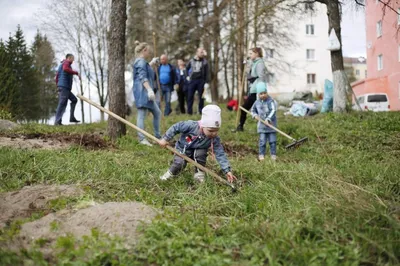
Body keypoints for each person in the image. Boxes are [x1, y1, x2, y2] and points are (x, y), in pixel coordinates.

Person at [158, 104, 236, 183]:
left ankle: (199, 174)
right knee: (179, 163)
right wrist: (165, 138)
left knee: (201, 154)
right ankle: (171, 174)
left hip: (199, 151)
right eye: (210, 131)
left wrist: (227, 170)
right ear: (203, 125)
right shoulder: (191, 126)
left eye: (216, 130)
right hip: (183, 149)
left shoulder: (214, 138)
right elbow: (176, 127)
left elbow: (220, 153)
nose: (213, 133)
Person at [132, 41, 161, 146]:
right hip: (142, 92)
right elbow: (142, 77)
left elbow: (145, 69)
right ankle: (141, 139)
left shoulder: (143, 62)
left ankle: (157, 136)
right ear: (144, 50)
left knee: (157, 113)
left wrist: (152, 63)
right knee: (142, 114)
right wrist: (149, 89)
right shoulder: (140, 62)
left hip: (146, 92)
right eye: (148, 51)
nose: (149, 53)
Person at [235, 47, 267, 132]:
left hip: (257, 91)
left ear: (257, 53)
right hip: (253, 90)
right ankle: (240, 126)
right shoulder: (255, 62)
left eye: (251, 53)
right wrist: (247, 63)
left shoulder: (260, 63)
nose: (249, 55)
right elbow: (251, 68)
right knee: (245, 108)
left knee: (248, 108)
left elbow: (261, 77)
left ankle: (263, 128)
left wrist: (260, 92)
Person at [250, 82, 277, 161]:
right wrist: (255, 115)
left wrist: (268, 118)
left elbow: (273, 110)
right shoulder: (256, 102)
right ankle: (261, 155)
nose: (263, 95)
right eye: (261, 93)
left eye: (264, 93)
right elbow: (252, 110)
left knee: (272, 141)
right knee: (262, 141)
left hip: (271, 125)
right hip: (262, 126)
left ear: (267, 92)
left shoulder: (270, 101)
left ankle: (273, 155)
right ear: (258, 94)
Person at [54, 54, 81, 125]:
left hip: (64, 88)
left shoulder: (63, 64)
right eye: (72, 59)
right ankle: (57, 122)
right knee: (62, 103)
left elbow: (57, 77)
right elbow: (65, 69)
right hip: (64, 87)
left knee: (74, 100)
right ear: (69, 58)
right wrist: (76, 73)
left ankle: (71, 118)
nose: (73, 60)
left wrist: (58, 86)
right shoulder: (66, 63)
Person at [186, 48, 210, 115]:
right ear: (197, 52)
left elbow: (207, 72)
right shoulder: (191, 60)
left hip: (201, 81)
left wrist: (207, 82)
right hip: (192, 80)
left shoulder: (204, 61)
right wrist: (187, 76)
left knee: (201, 97)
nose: (202, 54)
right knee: (190, 96)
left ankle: (200, 111)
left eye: (202, 52)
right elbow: (186, 68)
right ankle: (189, 112)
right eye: (201, 52)